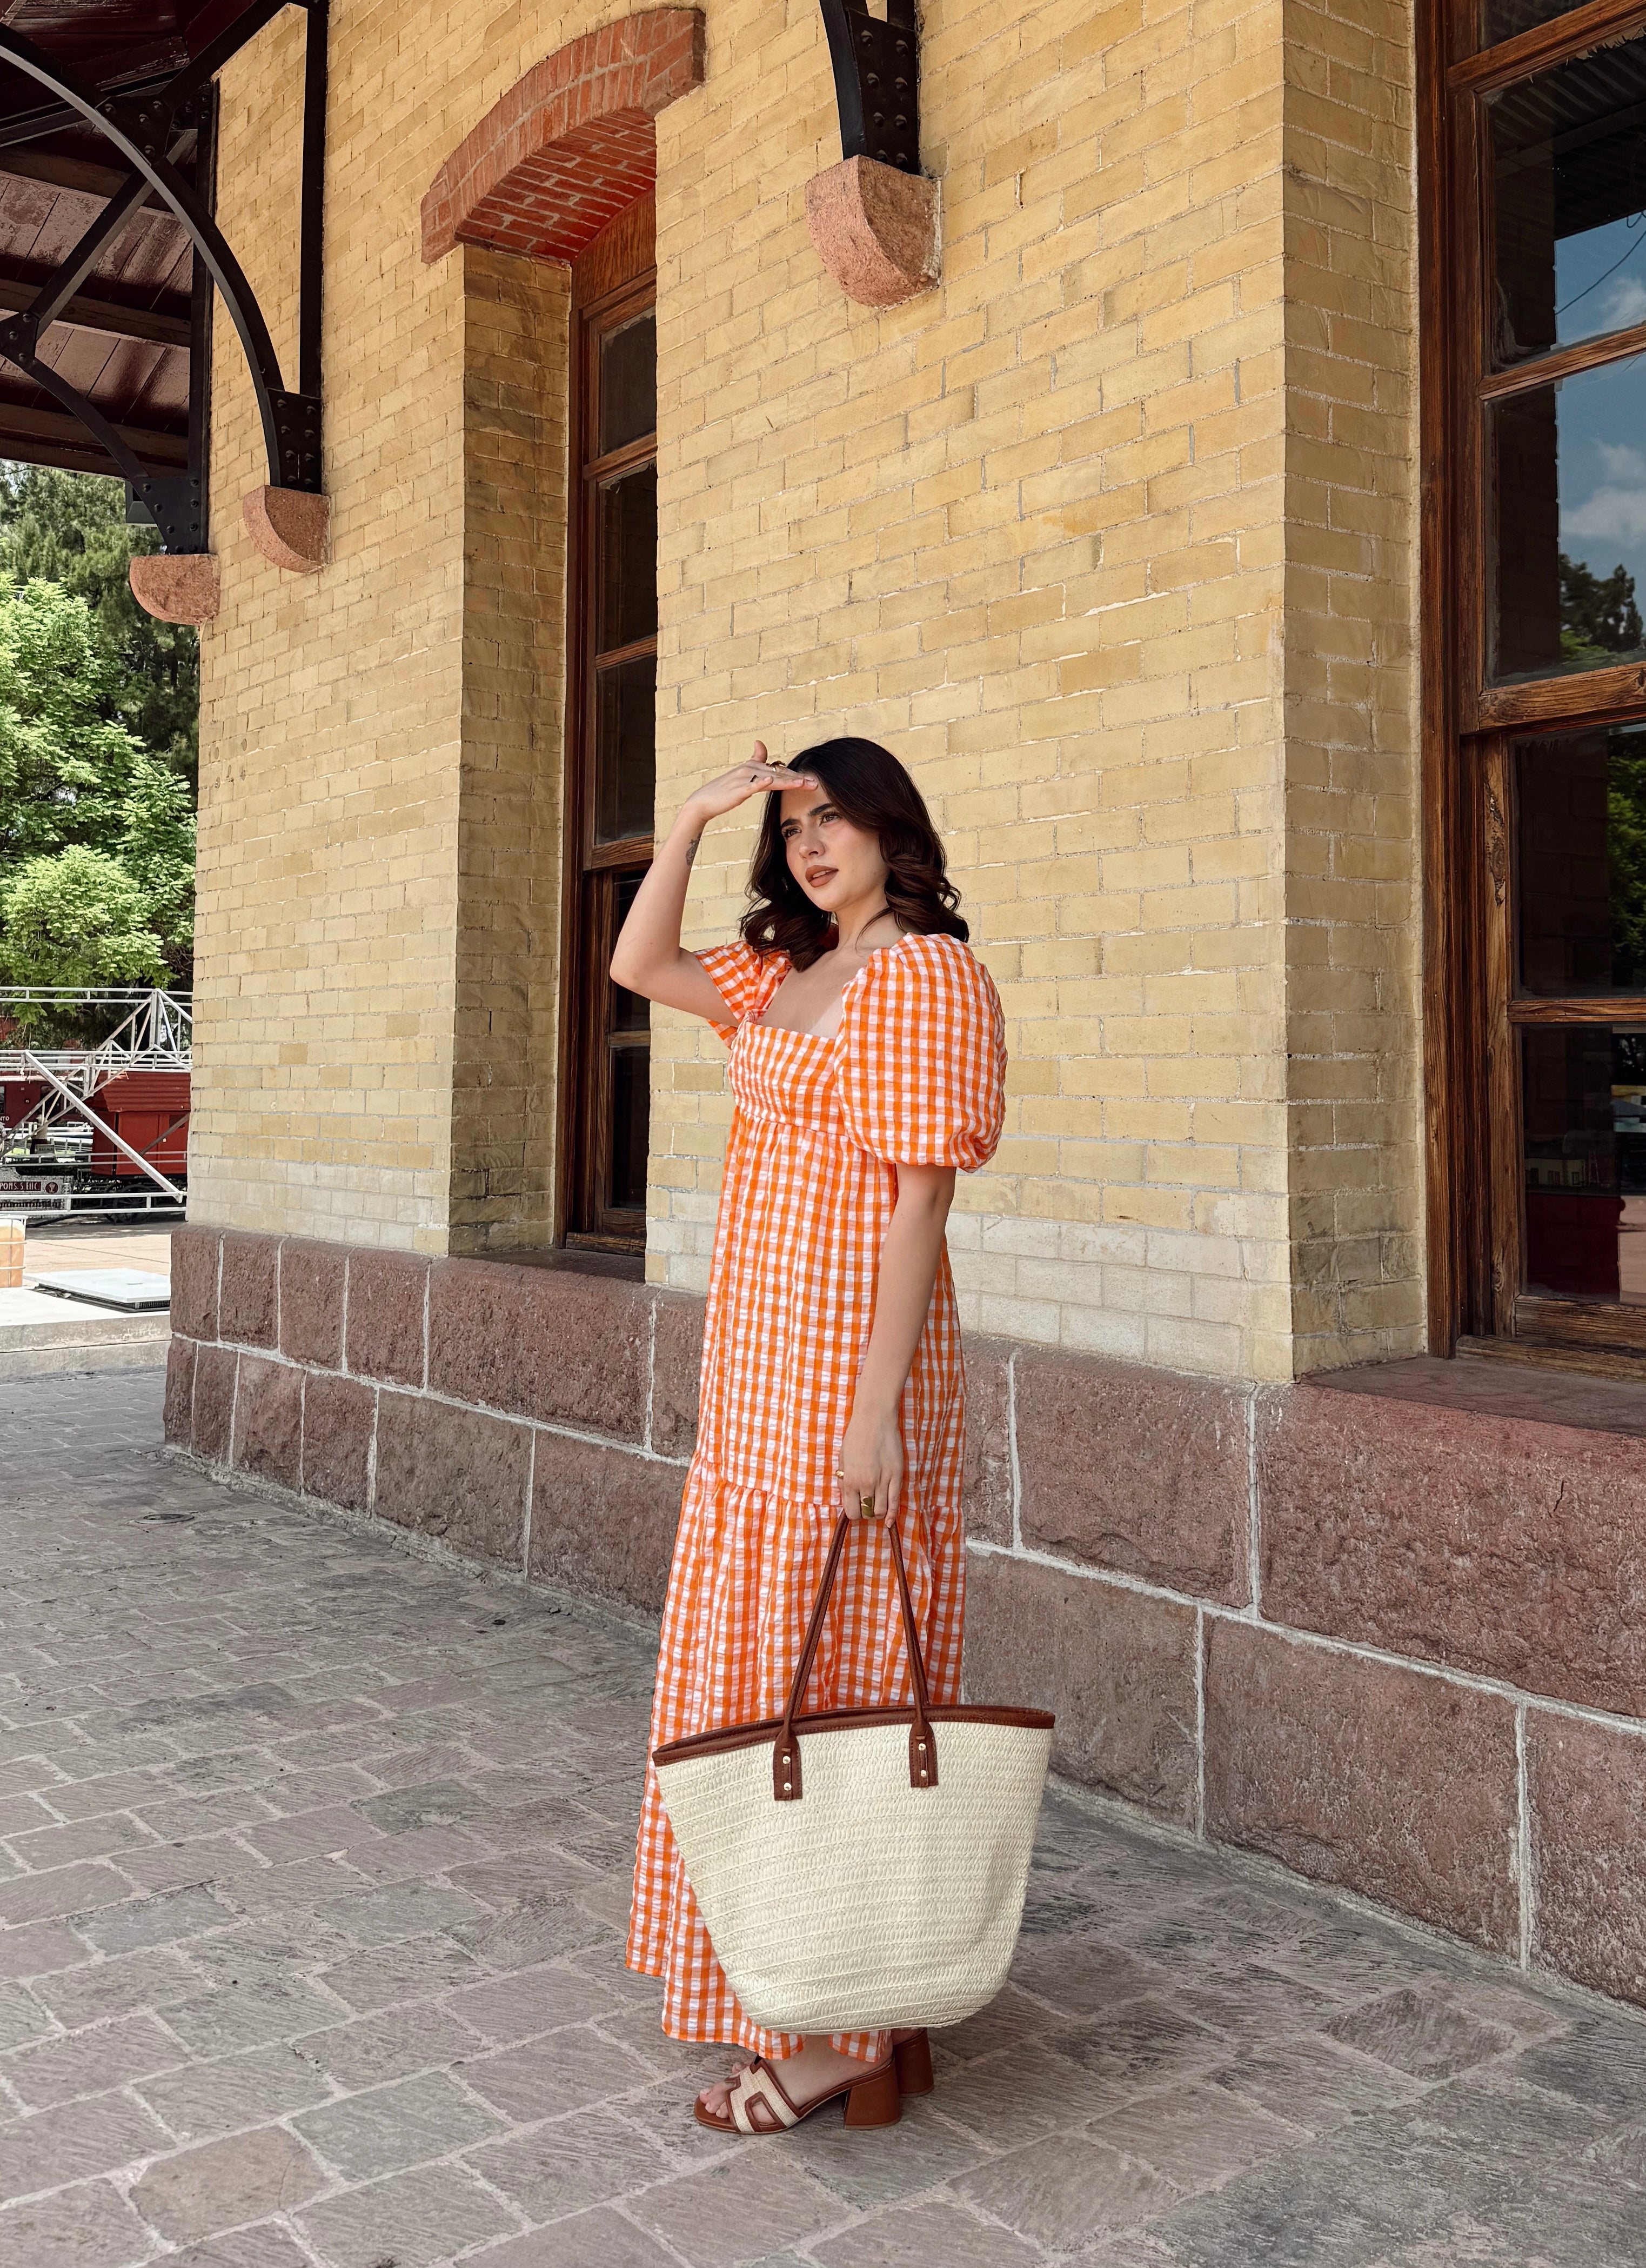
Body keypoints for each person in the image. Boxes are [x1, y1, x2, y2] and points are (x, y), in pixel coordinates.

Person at [616, 736, 1007, 2137]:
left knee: (839, 1674)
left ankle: (848, 2034)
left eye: (835, 819)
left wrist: (877, 1412)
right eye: (797, 827)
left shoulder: (924, 974)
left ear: (895, 827)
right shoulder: (786, 972)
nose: (812, 844)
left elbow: (918, 1206)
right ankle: (798, 1979)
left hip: (848, 1368)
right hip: (757, 1375)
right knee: (761, 1673)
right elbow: (639, 965)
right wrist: (694, 815)